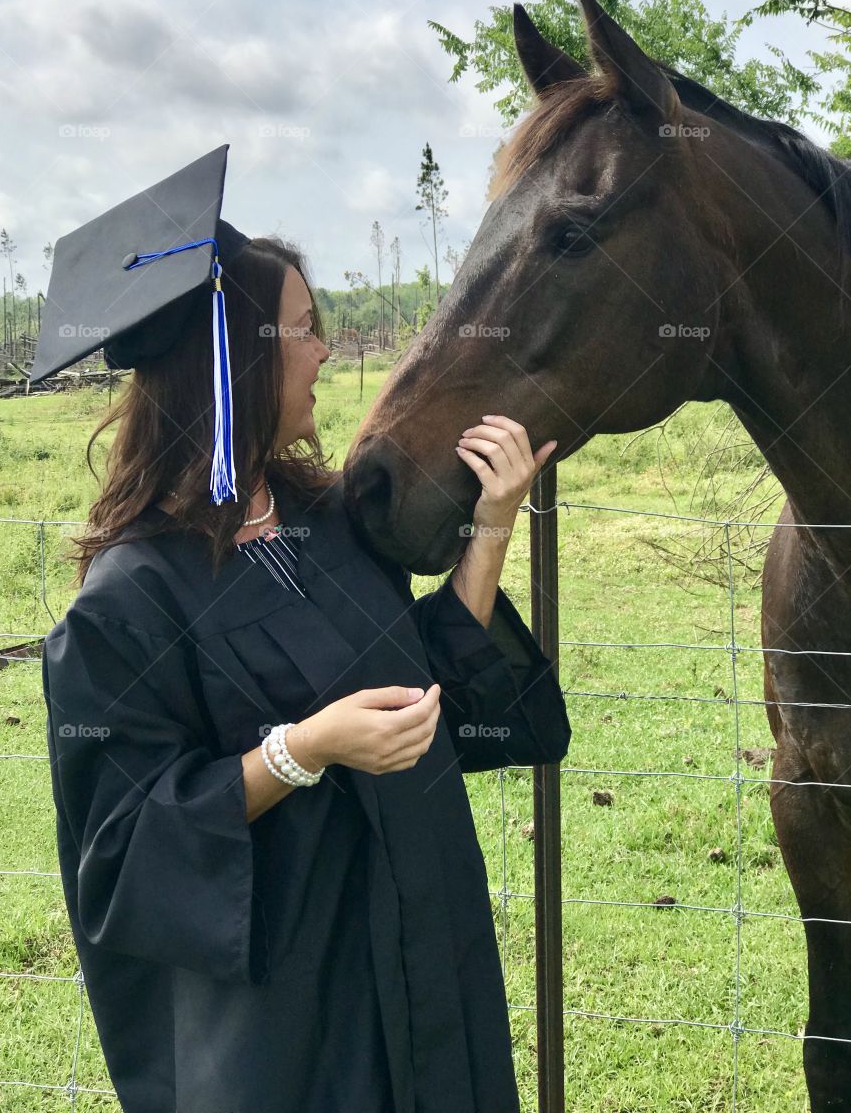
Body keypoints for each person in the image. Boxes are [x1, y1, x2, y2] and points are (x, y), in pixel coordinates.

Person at [33, 145, 569, 1113]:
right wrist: (302, 749)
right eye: (304, 330)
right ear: (234, 359)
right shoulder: (127, 603)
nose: (326, 351)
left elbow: (430, 678)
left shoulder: (328, 524)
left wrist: (491, 526)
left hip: (421, 945)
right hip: (299, 1007)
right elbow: (123, 844)